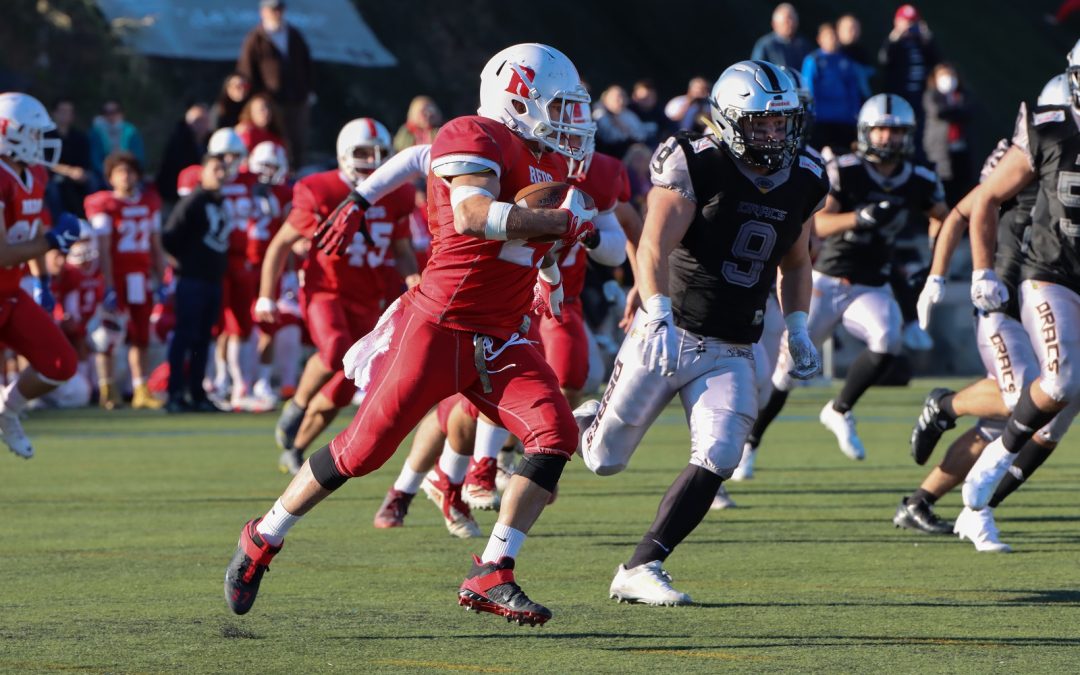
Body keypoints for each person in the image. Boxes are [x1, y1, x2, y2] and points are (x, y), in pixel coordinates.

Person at [224, 42, 596, 626]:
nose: (571, 119)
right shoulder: (473, 134)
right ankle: (263, 536)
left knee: (555, 433)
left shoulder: (546, 164)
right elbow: (475, 215)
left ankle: (493, 570)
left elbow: (540, 243)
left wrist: (550, 272)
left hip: (501, 334)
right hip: (440, 325)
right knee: (360, 453)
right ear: (517, 99)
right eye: (558, 105)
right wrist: (561, 221)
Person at [573, 60, 825, 605]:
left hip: (734, 343)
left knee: (721, 453)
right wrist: (657, 310)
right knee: (603, 461)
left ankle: (642, 565)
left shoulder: (807, 173)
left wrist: (799, 327)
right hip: (671, 327)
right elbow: (653, 246)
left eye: (782, 123)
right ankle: (585, 421)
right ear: (730, 119)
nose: (775, 134)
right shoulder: (694, 160)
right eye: (762, 123)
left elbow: (799, 261)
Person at [751, 94, 948, 462]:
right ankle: (751, 443)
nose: (888, 138)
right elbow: (817, 222)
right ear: (866, 132)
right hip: (826, 279)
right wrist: (860, 218)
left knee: (889, 338)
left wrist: (934, 259)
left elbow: (944, 216)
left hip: (871, 284)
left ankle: (840, 408)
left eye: (896, 131)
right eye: (882, 130)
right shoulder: (846, 168)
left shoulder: (918, 177)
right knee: (789, 370)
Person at [956, 40, 1080, 550]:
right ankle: (993, 459)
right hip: (1052, 274)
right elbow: (985, 198)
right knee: (1061, 379)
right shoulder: (1052, 127)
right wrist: (981, 269)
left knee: (1060, 416)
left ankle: (978, 510)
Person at [259, 118, 418, 474]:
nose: (372, 161)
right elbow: (280, 244)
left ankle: (297, 447)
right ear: (345, 154)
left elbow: (402, 249)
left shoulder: (398, 195)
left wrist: (414, 279)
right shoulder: (322, 190)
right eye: (363, 153)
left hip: (368, 297)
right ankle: (297, 407)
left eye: (380, 154)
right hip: (324, 290)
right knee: (334, 351)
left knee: (346, 385)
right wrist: (265, 297)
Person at [0, 92, 82, 458]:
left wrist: (41, 282)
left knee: (61, 363)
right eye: (32, 134)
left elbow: (33, 234)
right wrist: (51, 241)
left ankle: (6, 411)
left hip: (10, 292)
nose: (39, 142)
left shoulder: (34, 174)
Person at [83, 152, 166, 410]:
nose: (126, 176)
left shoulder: (150, 202)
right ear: (110, 178)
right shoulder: (105, 204)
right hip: (116, 277)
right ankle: (107, 388)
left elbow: (155, 244)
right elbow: (104, 249)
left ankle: (140, 388)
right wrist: (107, 284)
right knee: (108, 336)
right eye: (120, 172)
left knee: (140, 335)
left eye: (129, 171)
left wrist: (162, 278)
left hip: (140, 278)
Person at [162, 155, 230, 413]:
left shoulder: (221, 202)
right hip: (191, 280)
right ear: (203, 172)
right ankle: (175, 393)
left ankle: (197, 393)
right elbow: (169, 237)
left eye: (223, 169)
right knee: (184, 337)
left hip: (212, 280)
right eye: (215, 169)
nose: (221, 174)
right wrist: (185, 261)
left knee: (203, 339)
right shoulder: (193, 201)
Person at [236, 0, 314, 166]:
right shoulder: (255, 38)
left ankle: (296, 172)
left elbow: (306, 64)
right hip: (271, 102)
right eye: (272, 9)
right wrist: (258, 99)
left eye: (279, 8)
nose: (276, 13)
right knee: (277, 140)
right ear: (263, 12)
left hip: (297, 99)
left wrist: (307, 91)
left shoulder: (294, 35)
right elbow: (246, 69)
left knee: (297, 138)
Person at [245, 141, 294, 403]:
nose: (266, 171)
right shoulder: (241, 188)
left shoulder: (285, 193)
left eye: (272, 166)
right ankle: (234, 382)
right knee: (235, 327)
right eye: (262, 165)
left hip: (270, 264)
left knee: (267, 324)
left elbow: (289, 235)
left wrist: (290, 270)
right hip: (243, 262)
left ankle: (262, 380)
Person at [879, 4, 939, 142]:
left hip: (920, 96)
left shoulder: (921, 43)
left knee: (919, 131)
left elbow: (936, 62)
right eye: (906, 21)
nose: (910, 26)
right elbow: (884, 60)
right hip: (900, 96)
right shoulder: (895, 43)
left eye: (913, 22)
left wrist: (927, 38)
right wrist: (895, 36)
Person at [801, 22, 865, 151]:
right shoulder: (813, 60)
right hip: (820, 120)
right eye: (829, 36)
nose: (832, 40)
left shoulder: (846, 61)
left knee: (844, 156)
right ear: (819, 39)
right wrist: (811, 113)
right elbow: (808, 89)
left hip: (843, 119)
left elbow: (853, 90)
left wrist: (855, 113)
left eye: (835, 36)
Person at [922, 63, 973, 206]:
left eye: (950, 75)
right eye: (943, 75)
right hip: (939, 148)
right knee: (943, 184)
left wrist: (954, 112)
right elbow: (939, 112)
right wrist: (957, 112)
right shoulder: (931, 95)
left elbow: (969, 112)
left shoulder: (962, 94)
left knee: (962, 184)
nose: (948, 79)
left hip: (961, 148)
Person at [46, 99, 94, 217]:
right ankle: (58, 221)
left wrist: (81, 172)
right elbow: (45, 162)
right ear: (54, 113)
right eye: (62, 111)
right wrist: (68, 171)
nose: (65, 115)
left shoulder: (79, 137)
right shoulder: (45, 136)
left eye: (69, 112)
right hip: (52, 175)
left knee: (93, 181)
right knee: (53, 189)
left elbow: (85, 161)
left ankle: (91, 218)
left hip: (78, 174)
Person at [156, 104, 210, 205]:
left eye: (205, 121)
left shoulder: (210, 142)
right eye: (197, 121)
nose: (201, 125)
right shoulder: (178, 143)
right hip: (176, 197)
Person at [88, 100, 145, 179]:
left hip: (128, 173)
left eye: (115, 111)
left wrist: (127, 172)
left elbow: (138, 157)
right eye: (107, 112)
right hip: (103, 175)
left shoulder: (131, 132)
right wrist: (109, 174)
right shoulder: (96, 133)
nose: (111, 115)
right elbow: (94, 158)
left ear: (121, 113)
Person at [751, 3, 812, 69]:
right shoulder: (765, 44)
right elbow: (756, 70)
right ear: (775, 24)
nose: (790, 24)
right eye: (787, 21)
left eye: (793, 20)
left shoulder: (803, 44)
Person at [593, 85, 647, 158]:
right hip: (606, 154)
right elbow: (608, 137)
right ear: (606, 99)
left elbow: (640, 136)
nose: (621, 101)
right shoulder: (599, 115)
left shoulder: (630, 116)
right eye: (617, 98)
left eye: (623, 97)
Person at [629, 79, 669, 148]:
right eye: (644, 97)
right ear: (634, 96)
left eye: (651, 96)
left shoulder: (660, 113)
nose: (648, 99)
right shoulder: (627, 113)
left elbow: (670, 130)